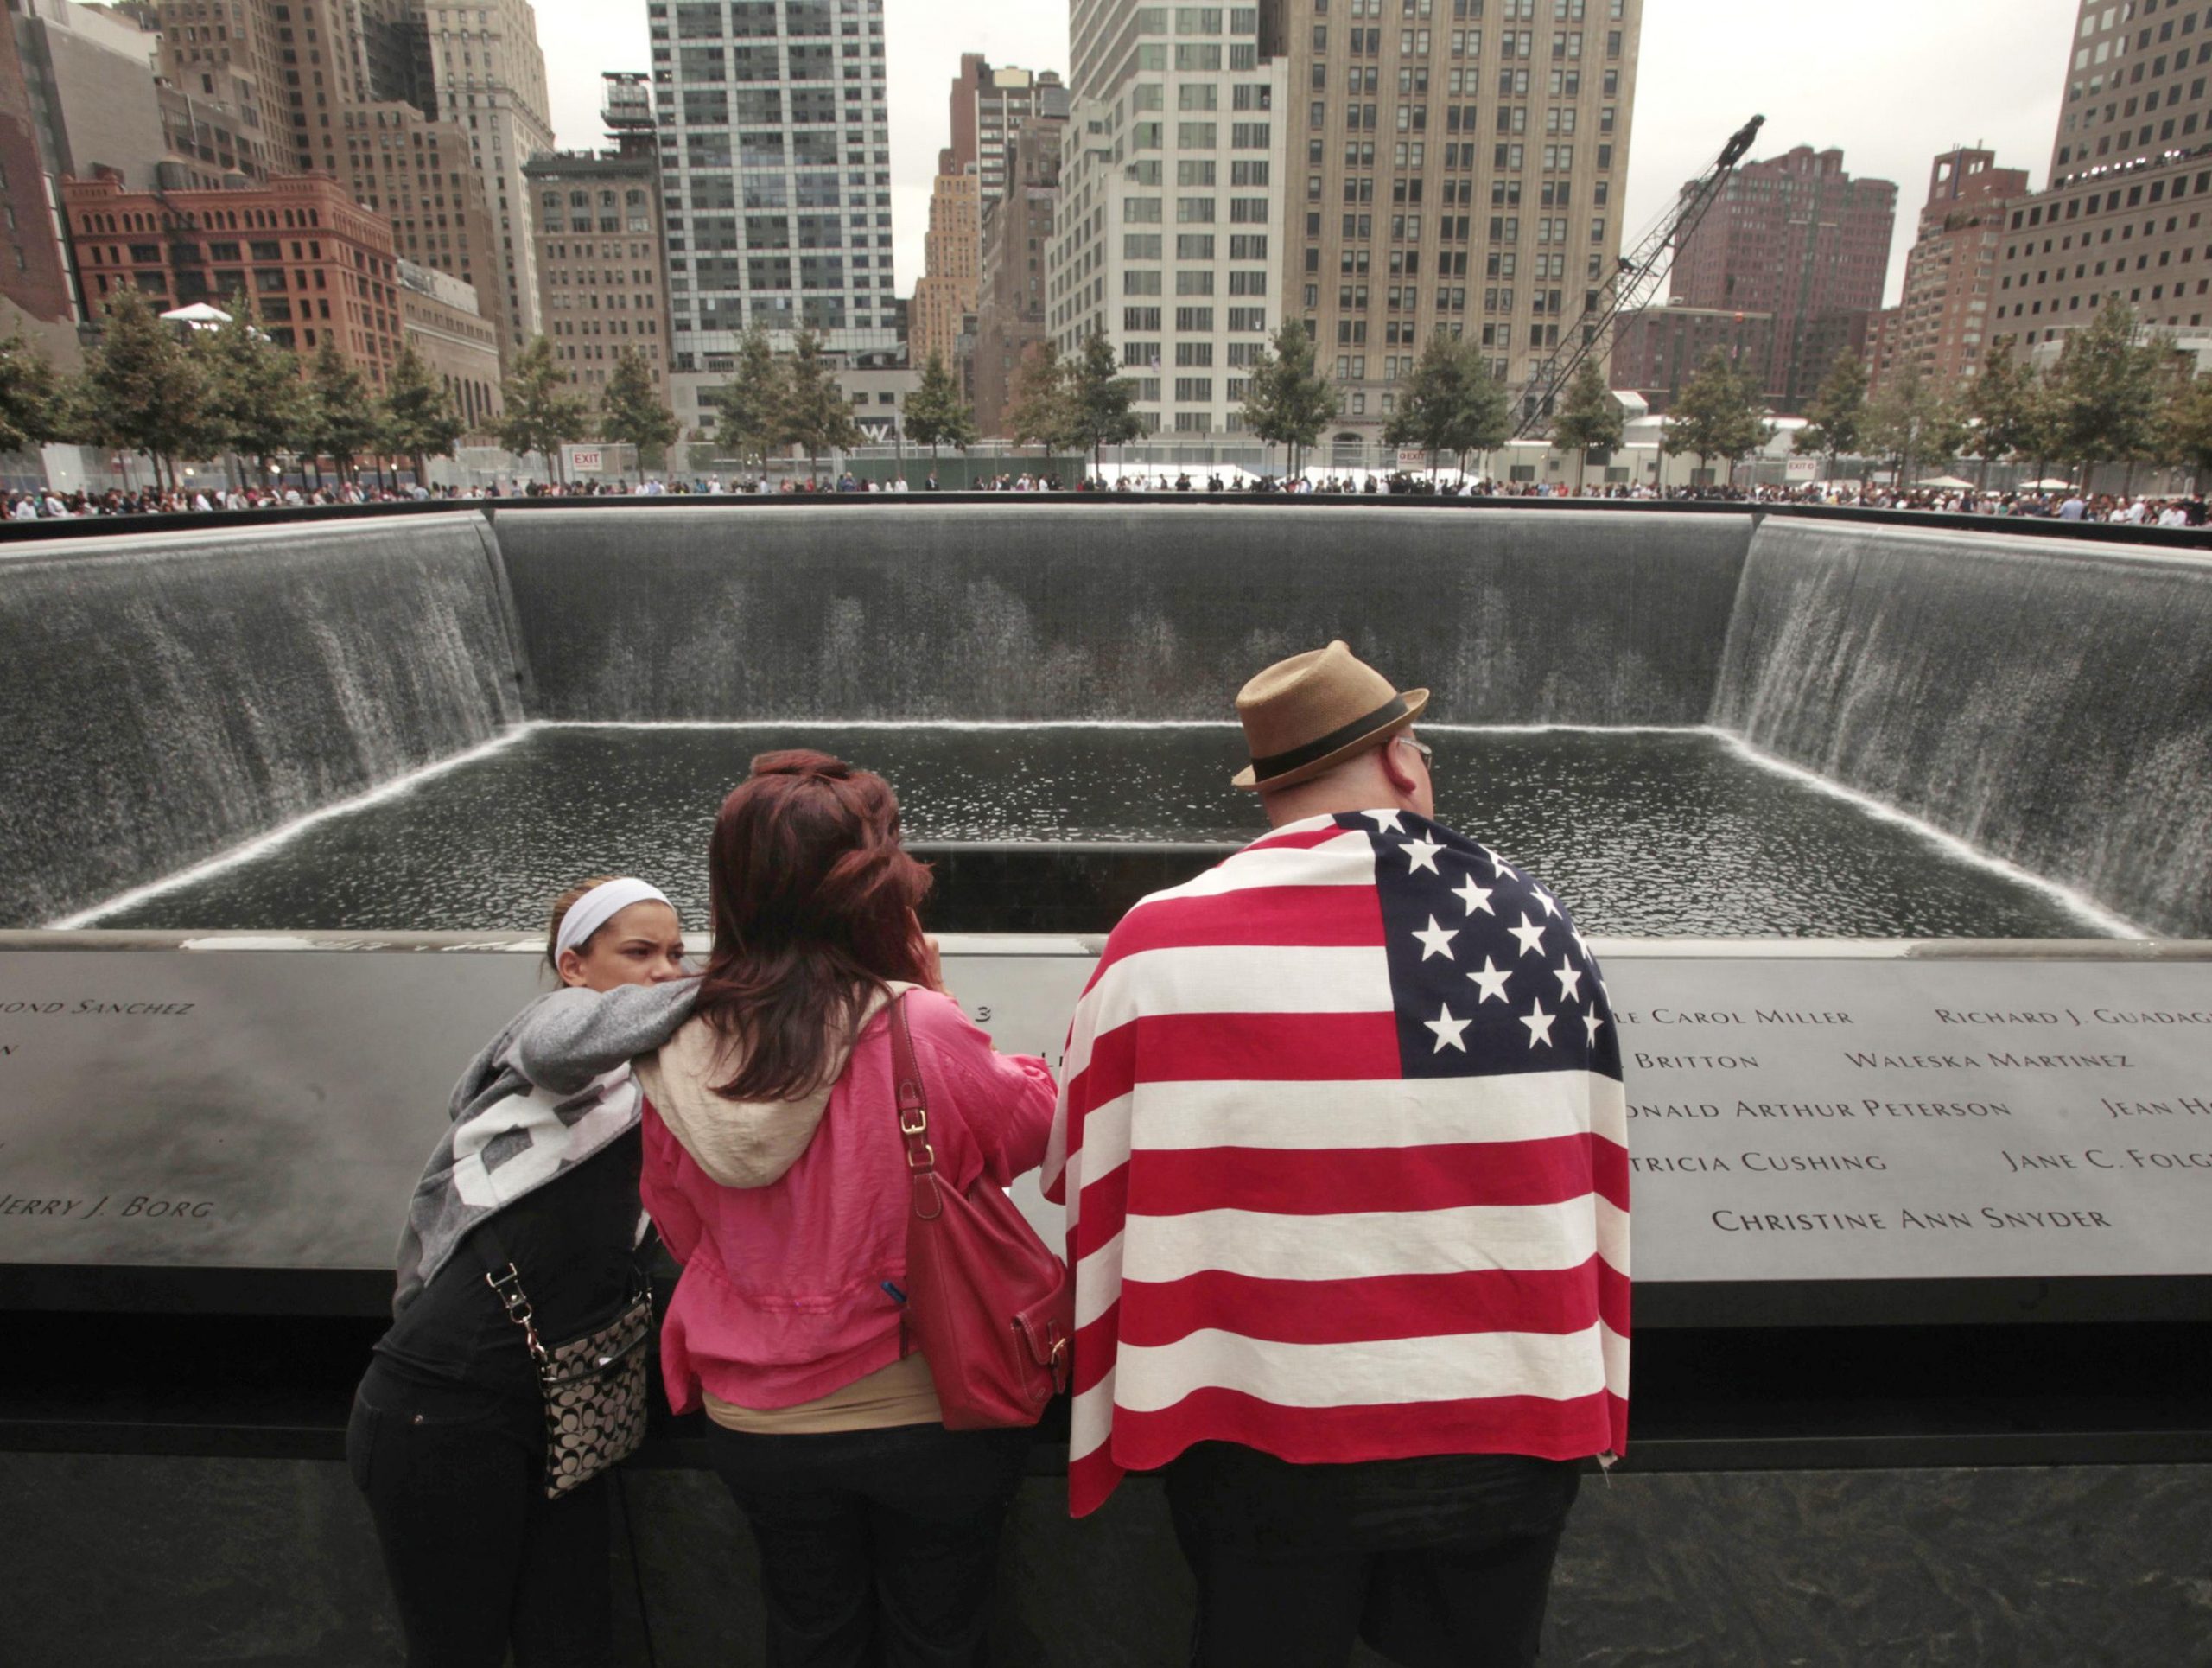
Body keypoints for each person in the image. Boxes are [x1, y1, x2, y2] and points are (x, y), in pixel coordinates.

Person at [1045, 642, 1629, 1668]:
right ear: (1400, 760)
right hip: (1502, 1426)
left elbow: (1079, 1164)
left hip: (1265, 1436)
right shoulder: (1534, 920)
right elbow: (1591, 1148)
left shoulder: (1157, 940)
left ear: (1269, 791)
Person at [639, 751, 1057, 1668]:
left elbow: (677, 1225)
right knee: (940, 1635)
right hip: (926, 1403)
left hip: (756, 1421)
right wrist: (934, 995)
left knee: (809, 1629)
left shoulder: (674, 1042)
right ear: (874, 891)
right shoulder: (916, 1023)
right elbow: (1032, 1135)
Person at [349, 876, 696, 1668]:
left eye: (677, 953)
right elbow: (558, 1045)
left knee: (572, 1644)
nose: (665, 971)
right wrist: (746, 978)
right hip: (440, 1409)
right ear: (573, 966)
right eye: (638, 952)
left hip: (561, 1412)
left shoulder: (646, 1079)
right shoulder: (554, 1031)